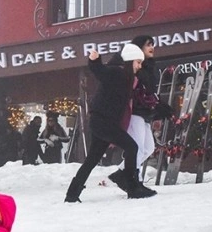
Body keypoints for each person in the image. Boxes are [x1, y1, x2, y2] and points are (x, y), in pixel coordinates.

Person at [65, 44, 157, 202]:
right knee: (132, 146)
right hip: (103, 122)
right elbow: (100, 71)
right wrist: (95, 60)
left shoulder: (128, 79)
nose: (139, 66)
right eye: (138, 62)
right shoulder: (117, 73)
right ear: (129, 61)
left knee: (92, 159)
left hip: (104, 122)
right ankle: (132, 187)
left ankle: (72, 194)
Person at [107, 35, 175, 189]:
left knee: (148, 148)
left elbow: (150, 92)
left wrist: (158, 107)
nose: (152, 48)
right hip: (133, 111)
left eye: (153, 44)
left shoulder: (149, 67)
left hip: (144, 113)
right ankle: (133, 179)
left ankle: (121, 174)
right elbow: (114, 70)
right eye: (148, 45)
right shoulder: (130, 64)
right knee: (136, 147)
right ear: (138, 47)